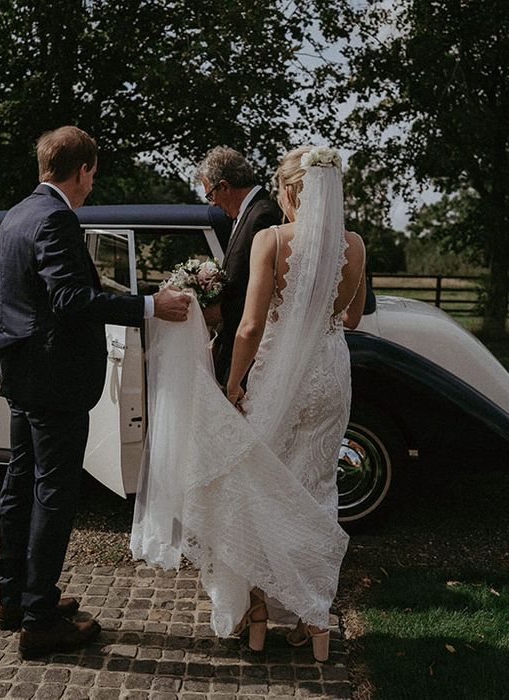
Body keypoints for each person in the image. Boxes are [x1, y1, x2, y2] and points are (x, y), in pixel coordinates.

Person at [0, 125, 190, 659]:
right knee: (53, 495)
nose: (91, 185)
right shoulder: (56, 217)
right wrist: (150, 306)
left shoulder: (17, 214)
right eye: (92, 175)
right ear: (83, 170)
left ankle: (20, 599)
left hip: (25, 375)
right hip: (54, 380)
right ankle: (39, 621)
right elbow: (73, 299)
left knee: (20, 486)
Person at [131, 145, 365, 662]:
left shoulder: (272, 239)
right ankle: (315, 621)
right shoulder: (354, 244)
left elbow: (251, 326)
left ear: (288, 190)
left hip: (277, 375)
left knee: (257, 489)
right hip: (329, 377)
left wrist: (234, 383)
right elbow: (351, 320)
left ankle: (258, 618)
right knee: (314, 492)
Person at [194, 147, 282, 386]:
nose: (212, 204)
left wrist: (214, 313)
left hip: (248, 354)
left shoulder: (263, 216)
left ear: (224, 186)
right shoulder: (247, 214)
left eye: (210, 195)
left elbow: (257, 293)